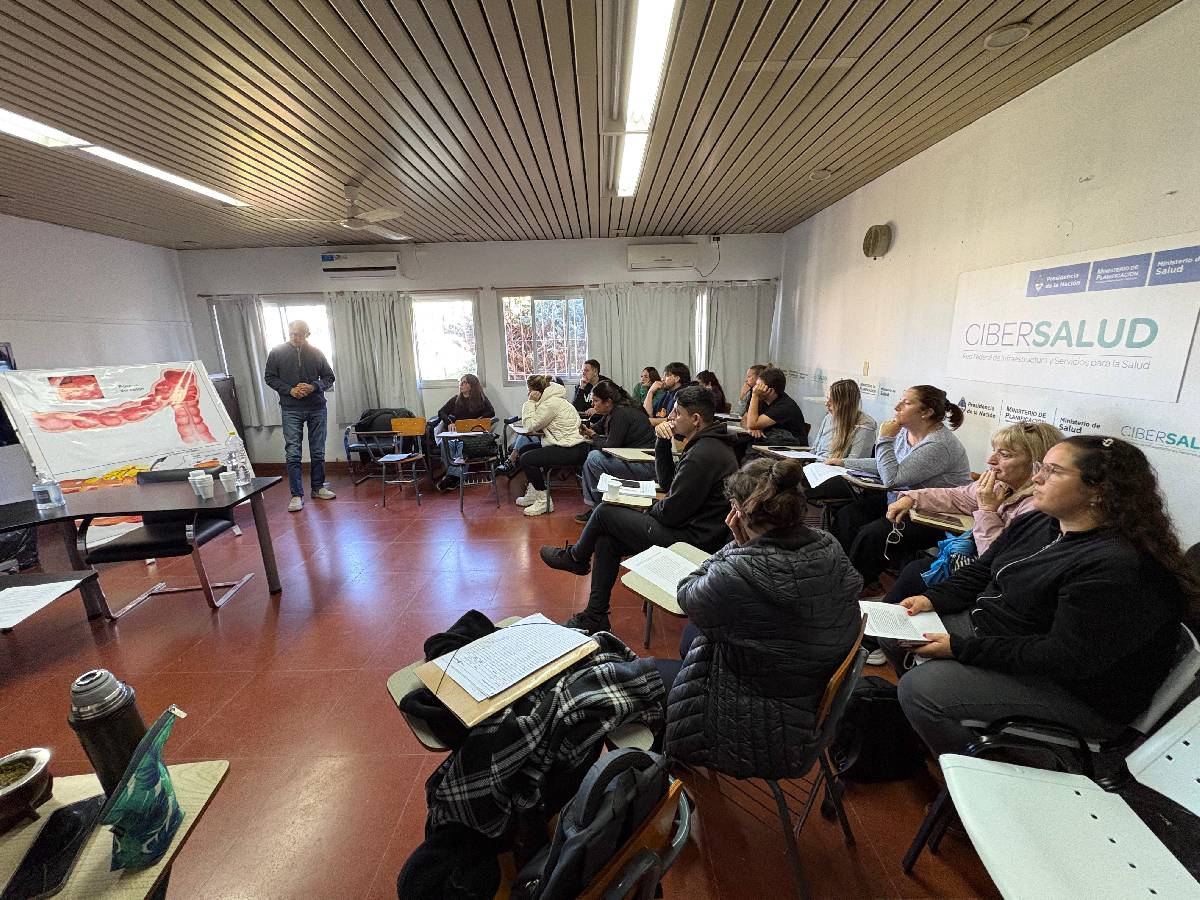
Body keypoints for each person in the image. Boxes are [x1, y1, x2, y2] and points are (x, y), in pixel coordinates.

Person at [893, 435, 1197, 759]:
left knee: (921, 690)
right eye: (1042, 467)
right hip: (1005, 637)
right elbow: (983, 570)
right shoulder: (1041, 520)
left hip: (1071, 691)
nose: (1037, 478)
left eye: (1053, 471)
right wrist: (932, 599)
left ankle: (980, 768)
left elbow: (1063, 657)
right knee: (895, 632)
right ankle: (929, 730)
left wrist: (959, 649)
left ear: (1099, 491)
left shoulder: (1118, 565)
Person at [654, 458, 862, 778]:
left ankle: (663, 777)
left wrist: (737, 547)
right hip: (806, 692)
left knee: (646, 679)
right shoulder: (829, 544)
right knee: (693, 637)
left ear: (738, 513)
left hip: (759, 720)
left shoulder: (737, 571)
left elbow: (687, 595)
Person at [541, 386, 739, 634]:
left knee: (604, 512)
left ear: (696, 419)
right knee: (606, 539)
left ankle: (576, 558)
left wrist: (644, 507)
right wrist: (662, 443)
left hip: (693, 541)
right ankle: (595, 616)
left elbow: (670, 514)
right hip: (688, 528)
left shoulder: (703, 454)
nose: (670, 418)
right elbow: (668, 484)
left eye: (677, 413)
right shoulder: (706, 444)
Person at [879, 421, 1064, 603]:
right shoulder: (1001, 485)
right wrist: (911, 498)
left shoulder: (1037, 508)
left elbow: (997, 562)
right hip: (976, 565)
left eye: (1005, 455)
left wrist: (987, 510)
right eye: (995, 451)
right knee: (912, 566)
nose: (991, 460)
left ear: (1036, 463)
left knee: (914, 571)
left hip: (993, 584)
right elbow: (957, 496)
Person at [828, 384, 971, 580]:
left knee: (872, 535)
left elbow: (892, 479)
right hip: (902, 501)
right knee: (848, 516)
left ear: (926, 412)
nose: (897, 407)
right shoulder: (905, 432)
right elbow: (886, 464)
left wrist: (885, 438)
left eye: (906, 403)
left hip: (932, 515)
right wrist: (844, 462)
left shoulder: (938, 444)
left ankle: (859, 583)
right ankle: (835, 573)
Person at [263, 319, 336, 512]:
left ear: (307, 335)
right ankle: (296, 495)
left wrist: (313, 386)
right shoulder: (277, 352)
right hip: (291, 408)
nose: (295, 338)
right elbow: (270, 377)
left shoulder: (317, 353)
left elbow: (329, 377)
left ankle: (318, 488)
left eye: (299, 334)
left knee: (318, 450)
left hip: (317, 407)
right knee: (293, 452)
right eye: (292, 334)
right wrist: (290, 390)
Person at [576, 380, 657, 523]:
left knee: (594, 458)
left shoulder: (621, 413)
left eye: (596, 401)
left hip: (644, 465)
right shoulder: (614, 409)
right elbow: (597, 428)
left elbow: (610, 447)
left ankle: (599, 507)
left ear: (608, 401)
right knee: (591, 454)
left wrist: (593, 436)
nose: (593, 405)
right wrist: (588, 429)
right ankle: (599, 506)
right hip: (633, 459)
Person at [512, 375, 586, 516]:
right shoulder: (553, 400)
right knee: (524, 449)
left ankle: (544, 501)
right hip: (568, 445)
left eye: (529, 390)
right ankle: (534, 493)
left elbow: (529, 426)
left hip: (571, 449)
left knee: (527, 459)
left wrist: (530, 402)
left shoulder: (551, 404)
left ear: (536, 391)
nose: (528, 394)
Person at [434, 374, 496, 492]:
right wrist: (449, 422)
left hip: (472, 435)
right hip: (457, 433)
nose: (461, 385)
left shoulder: (481, 399)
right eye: (460, 382)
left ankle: (453, 478)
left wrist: (478, 420)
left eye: (464, 382)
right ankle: (455, 476)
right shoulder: (456, 399)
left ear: (472, 385)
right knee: (444, 443)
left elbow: (491, 412)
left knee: (461, 446)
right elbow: (441, 412)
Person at [808, 379, 877, 461]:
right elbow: (815, 449)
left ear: (844, 404)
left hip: (834, 468)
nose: (826, 404)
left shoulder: (865, 427)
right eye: (828, 399)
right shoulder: (829, 417)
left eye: (832, 401)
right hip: (815, 465)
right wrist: (807, 460)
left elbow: (855, 463)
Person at [741, 366, 806, 444]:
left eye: (758, 387)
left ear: (770, 391)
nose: (755, 389)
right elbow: (745, 419)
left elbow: (752, 424)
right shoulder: (762, 399)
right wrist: (752, 429)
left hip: (789, 446)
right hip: (769, 442)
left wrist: (755, 395)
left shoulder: (785, 406)